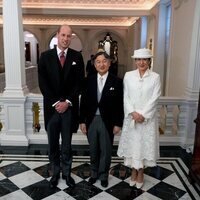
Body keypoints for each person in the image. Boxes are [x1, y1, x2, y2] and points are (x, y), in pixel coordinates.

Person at [38, 24, 85, 189]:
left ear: (71, 37)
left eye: (69, 36)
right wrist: (57, 103)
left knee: (66, 145)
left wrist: (67, 103)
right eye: (63, 35)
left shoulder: (77, 57)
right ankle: (55, 173)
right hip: (52, 110)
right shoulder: (45, 57)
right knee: (52, 144)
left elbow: (79, 84)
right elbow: (43, 84)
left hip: (69, 109)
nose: (66, 39)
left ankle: (66, 173)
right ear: (57, 35)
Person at [117, 48, 161, 189]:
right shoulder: (128, 76)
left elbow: (155, 98)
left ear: (149, 61)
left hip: (147, 120)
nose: (141, 62)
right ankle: (133, 171)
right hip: (132, 118)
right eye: (138, 59)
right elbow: (125, 96)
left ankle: (141, 172)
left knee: (143, 146)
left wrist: (143, 114)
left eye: (145, 59)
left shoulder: (155, 77)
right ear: (135, 61)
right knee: (134, 145)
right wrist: (133, 113)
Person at [79, 51, 124, 188]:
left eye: (104, 61)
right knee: (93, 149)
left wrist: (117, 123)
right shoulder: (88, 80)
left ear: (109, 63)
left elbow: (119, 104)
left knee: (105, 149)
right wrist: (82, 121)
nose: (101, 64)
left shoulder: (116, 81)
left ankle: (103, 175)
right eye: (98, 61)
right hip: (91, 120)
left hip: (107, 122)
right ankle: (94, 173)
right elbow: (84, 103)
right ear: (94, 64)